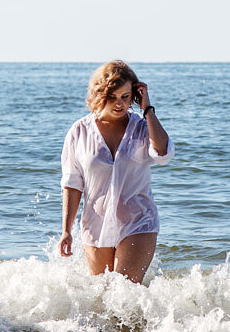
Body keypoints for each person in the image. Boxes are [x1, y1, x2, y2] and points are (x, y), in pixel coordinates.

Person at [59, 60, 173, 283]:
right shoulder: (79, 131)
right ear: (100, 94)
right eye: (113, 97)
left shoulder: (141, 127)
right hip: (95, 224)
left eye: (126, 96)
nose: (120, 104)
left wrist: (147, 110)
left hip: (139, 220)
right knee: (103, 297)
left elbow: (163, 154)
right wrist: (66, 230)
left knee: (126, 289)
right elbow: (73, 183)